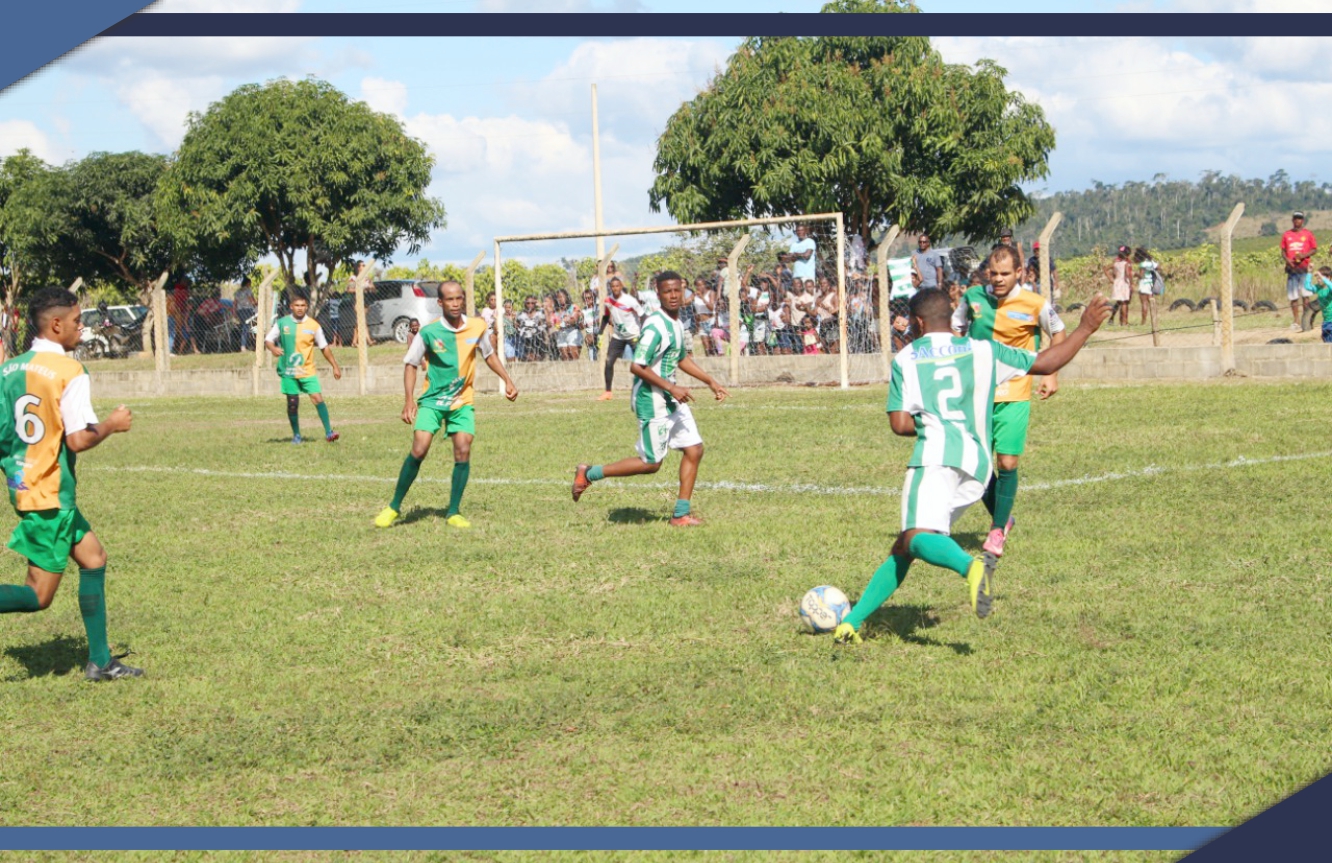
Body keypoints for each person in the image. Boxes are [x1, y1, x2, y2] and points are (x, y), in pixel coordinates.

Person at [832, 289, 1110, 644]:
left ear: (917, 322)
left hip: (935, 458)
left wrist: (932, 422)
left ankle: (971, 567)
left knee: (916, 538)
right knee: (906, 544)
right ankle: (852, 623)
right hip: (977, 466)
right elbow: (1047, 363)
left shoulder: (907, 358)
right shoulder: (983, 349)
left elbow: (899, 424)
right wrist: (1085, 328)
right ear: (950, 316)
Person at [0, 288, 141, 680]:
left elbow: (1, 435)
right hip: (51, 494)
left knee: (94, 558)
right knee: (38, 596)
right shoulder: (70, 371)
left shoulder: (8, 370)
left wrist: (17, 477)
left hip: (29, 487)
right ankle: (100, 660)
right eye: (78, 321)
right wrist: (112, 424)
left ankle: (100, 660)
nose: (82, 327)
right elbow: (78, 439)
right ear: (57, 324)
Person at [572, 271, 729, 526]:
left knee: (694, 449)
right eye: (667, 292)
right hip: (651, 398)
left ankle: (680, 515)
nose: (674, 295)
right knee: (651, 463)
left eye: (677, 290)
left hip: (670, 397)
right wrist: (671, 387)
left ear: (683, 290)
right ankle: (589, 473)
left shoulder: (676, 322)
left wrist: (710, 381)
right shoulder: (655, 325)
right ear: (659, 294)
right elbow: (637, 366)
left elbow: (680, 358)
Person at [950, 244, 1067, 562]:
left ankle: (997, 529)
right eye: (993, 273)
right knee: (979, 466)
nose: (998, 279)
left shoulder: (1033, 303)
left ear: (1020, 273)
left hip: (1015, 393)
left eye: (1005, 273)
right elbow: (957, 331)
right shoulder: (973, 298)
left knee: (1007, 463)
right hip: (977, 394)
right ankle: (1004, 518)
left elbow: (1058, 332)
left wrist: (1051, 373)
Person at [375, 281, 519, 530]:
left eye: (459, 299)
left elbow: (488, 354)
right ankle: (394, 507)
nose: (455, 303)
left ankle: (453, 511)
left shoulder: (477, 326)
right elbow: (411, 364)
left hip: (462, 400)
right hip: (432, 401)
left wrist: (507, 379)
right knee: (419, 449)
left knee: (463, 449)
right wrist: (409, 400)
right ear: (440, 303)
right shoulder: (429, 332)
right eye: (450, 300)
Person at [264, 289, 341, 444]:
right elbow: (268, 340)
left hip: (307, 371)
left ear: (306, 307)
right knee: (293, 403)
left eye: (303, 305)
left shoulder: (313, 325)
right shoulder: (282, 323)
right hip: (289, 372)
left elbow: (324, 347)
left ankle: (329, 432)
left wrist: (335, 365)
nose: (300, 308)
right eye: (297, 305)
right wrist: (273, 349)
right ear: (291, 306)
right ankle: (297, 435)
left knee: (317, 398)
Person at [597, 276, 643, 401]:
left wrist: (645, 331)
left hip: (633, 335)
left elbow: (642, 315)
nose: (615, 288)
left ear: (621, 286)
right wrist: (600, 333)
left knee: (641, 363)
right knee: (608, 361)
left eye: (617, 286)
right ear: (610, 287)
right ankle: (608, 392)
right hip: (618, 336)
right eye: (613, 286)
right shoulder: (608, 301)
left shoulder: (630, 300)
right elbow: (606, 317)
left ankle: (647, 388)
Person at [1281, 212, 1317, 331]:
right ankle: (1296, 320)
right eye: (1296, 219)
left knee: (1306, 295)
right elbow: (1283, 251)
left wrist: (1303, 255)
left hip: (1304, 268)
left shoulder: (1308, 234)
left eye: (1300, 219)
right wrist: (1287, 260)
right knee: (1293, 296)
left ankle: (1305, 319)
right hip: (1292, 269)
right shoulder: (1287, 235)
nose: (1297, 221)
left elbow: (1314, 249)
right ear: (1292, 220)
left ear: (1303, 220)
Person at [1106, 245, 1133, 327]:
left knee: (1120, 302)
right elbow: (1128, 274)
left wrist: (1111, 279)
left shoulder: (1115, 263)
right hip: (1124, 283)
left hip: (1117, 282)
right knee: (1124, 303)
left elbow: (1106, 268)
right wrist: (1131, 283)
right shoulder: (1126, 264)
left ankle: (1118, 320)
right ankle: (1124, 322)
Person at [514, 296, 545, 362]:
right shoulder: (521, 314)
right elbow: (516, 324)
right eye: (528, 303)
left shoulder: (540, 313)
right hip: (525, 338)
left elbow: (547, 321)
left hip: (537, 338)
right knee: (528, 358)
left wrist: (541, 306)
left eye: (532, 303)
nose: (530, 305)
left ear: (535, 304)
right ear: (525, 304)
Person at [1133, 247, 1158, 326]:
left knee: (1144, 303)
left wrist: (1135, 274)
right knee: (1151, 303)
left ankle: (1143, 322)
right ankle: (1154, 321)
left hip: (1143, 284)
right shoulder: (1151, 262)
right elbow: (1159, 268)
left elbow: (1141, 275)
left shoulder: (1142, 264)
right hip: (1151, 284)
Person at [1307, 267, 1332, 342]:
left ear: (1328, 277)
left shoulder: (1329, 288)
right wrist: (1309, 273)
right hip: (1326, 320)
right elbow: (1307, 287)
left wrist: (1322, 277)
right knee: (1326, 340)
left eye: (1320, 278)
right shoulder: (1318, 288)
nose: (1318, 280)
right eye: (1317, 278)